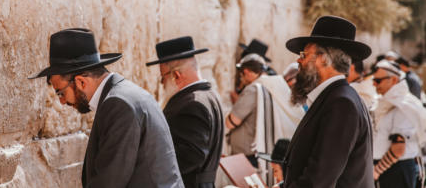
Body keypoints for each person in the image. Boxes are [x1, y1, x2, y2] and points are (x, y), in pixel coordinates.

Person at [29, 28, 184, 188]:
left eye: (60, 93)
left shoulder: (118, 104)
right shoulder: (125, 95)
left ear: (82, 82)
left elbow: (109, 181)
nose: (62, 102)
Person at [282, 15, 374, 188]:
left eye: (304, 54)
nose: (298, 60)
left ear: (323, 58)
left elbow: (319, 181)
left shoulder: (342, 104)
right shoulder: (337, 97)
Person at [146, 36, 224, 188]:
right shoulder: (210, 95)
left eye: (163, 77)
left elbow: (187, 158)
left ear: (176, 75)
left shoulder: (192, 104)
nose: (162, 84)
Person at [226, 54, 303, 186]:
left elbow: (232, 121)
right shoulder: (274, 85)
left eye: (241, 75)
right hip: (264, 153)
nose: (241, 79)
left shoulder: (253, 89)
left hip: (249, 157)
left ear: (246, 72)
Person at [371, 60, 426, 188]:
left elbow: (398, 149)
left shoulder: (403, 106)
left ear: (394, 80)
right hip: (388, 170)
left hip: (397, 170)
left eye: (378, 80)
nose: (374, 84)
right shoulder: (386, 103)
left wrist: (377, 170)